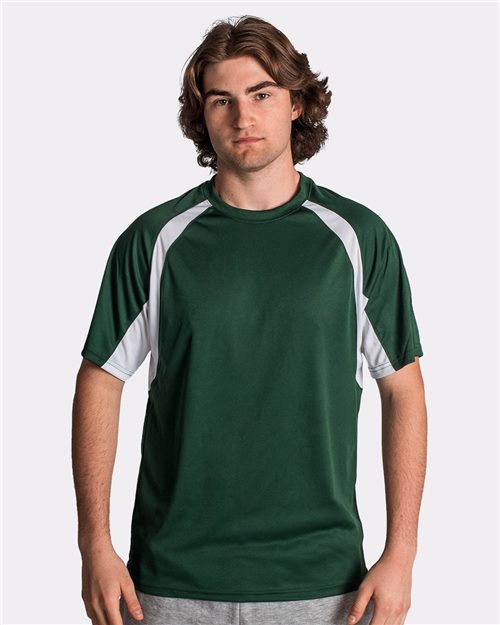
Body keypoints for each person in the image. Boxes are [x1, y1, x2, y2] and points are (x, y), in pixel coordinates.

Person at [72, 14, 427, 625]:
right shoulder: (155, 239)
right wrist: (94, 547)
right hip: (169, 581)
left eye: (261, 94)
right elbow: (100, 381)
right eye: (222, 100)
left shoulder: (358, 238)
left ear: (296, 103)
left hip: (323, 583)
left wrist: (402, 554)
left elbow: (404, 391)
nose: (243, 117)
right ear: (202, 116)